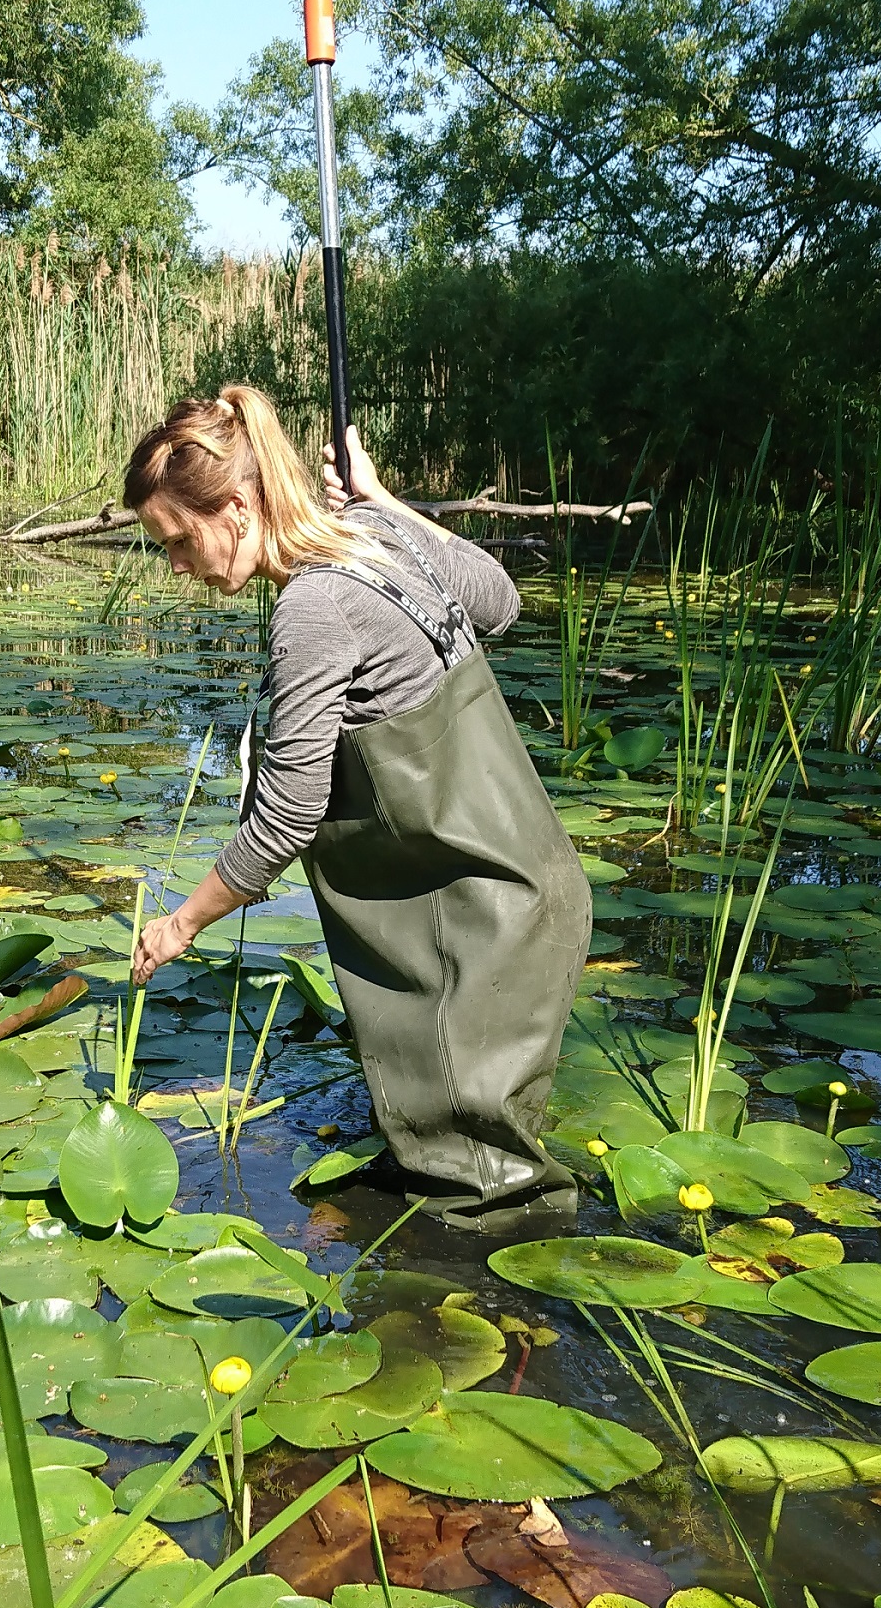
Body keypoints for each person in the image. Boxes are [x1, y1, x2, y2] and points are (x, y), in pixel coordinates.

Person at [121, 382, 588, 1225]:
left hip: (476, 937)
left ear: (233, 506)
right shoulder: (374, 538)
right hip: (527, 894)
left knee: (483, 1209)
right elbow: (500, 602)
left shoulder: (311, 607)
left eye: (176, 542)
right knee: (466, 1177)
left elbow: (288, 814)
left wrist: (182, 921)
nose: (178, 568)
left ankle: (525, 1341)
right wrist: (387, 503)